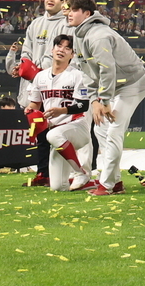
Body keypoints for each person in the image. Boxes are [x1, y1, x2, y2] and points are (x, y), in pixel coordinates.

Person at [65, 0, 145, 196]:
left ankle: (106, 185)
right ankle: (115, 182)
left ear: (86, 13)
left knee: (114, 130)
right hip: (116, 86)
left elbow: (107, 69)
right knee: (101, 130)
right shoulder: (80, 35)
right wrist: (95, 100)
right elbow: (86, 71)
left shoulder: (98, 35)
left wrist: (103, 100)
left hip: (133, 83)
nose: (68, 13)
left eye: (73, 10)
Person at [7, 0, 70, 187]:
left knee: (57, 131)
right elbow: (26, 50)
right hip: (34, 86)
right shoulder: (35, 24)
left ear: (64, 2)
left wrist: (37, 71)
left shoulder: (66, 25)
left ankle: (64, 173)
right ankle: (43, 173)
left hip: (55, 85)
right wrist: (22, 66)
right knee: (39, 131)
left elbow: (57, 54)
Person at [25, 34, 94, 192]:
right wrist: (30, 110)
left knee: (53, 135)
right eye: (59, 46)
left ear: (72, 54)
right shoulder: (40, 76)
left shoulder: (77, 75)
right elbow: (35, 103)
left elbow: (83, 105)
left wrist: (60, 110)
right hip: (57, 134)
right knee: (57, 187)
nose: (62, 50)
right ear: (52, 49)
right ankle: (92, 183)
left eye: (67, 48)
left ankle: (80, 172)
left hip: (77, 127)